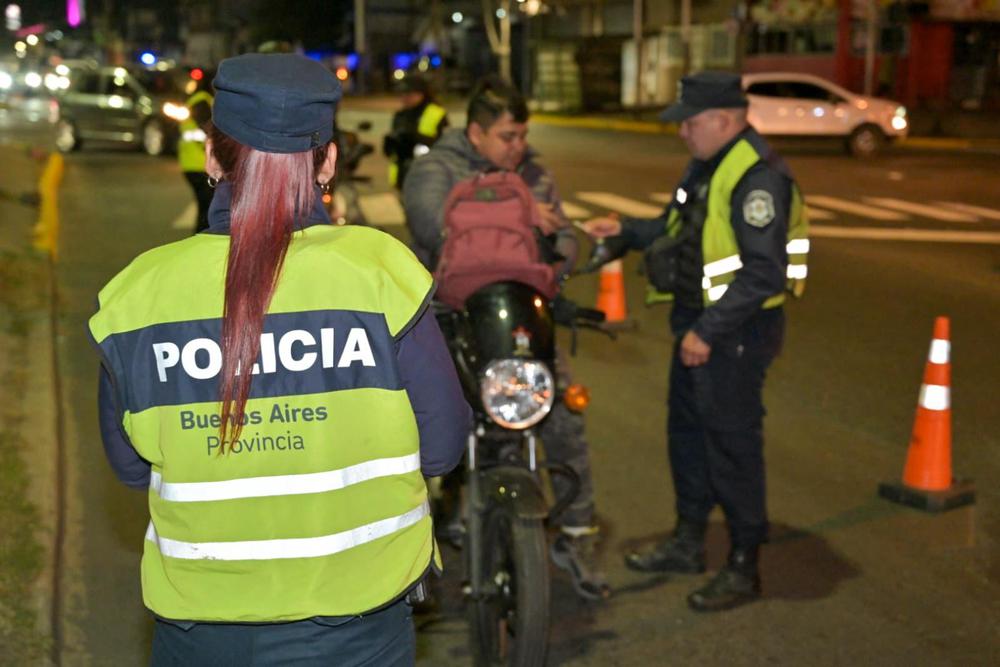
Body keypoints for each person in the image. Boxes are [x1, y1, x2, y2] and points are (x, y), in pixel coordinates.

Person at [89, 53, 471, 665]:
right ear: (329, 161)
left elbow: (132, 468)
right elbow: (444, 446)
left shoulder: (136, 295)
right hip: (359, 628)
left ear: (213, 158)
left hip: (201, 633)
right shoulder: (381, 273)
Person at [582, 71, 808, 612]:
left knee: (731, 444)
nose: (682, 132)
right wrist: (624, 231)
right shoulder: (708, 164)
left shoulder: (756, 179)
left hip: (734, 333)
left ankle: (743, 565)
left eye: (690, 122)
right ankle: (688, 541)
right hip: (699, 325)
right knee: (687, 434)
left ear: (724, 120)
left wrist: (708, 331)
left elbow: (764, 273)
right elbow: (676, 229)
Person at [403, 76, 610, 601]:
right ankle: (417, 533)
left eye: (523, 135)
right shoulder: (437, 168)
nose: (519, 147)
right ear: (476, 133)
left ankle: (577, 534)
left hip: (520, 314)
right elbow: (431, 226)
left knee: (560, 411)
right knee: (425, 421)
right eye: (507, 137)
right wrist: (518, 214)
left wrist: (558, 257)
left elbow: (563, 236)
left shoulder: (534, 171)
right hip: (452, 317)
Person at [383, 74, 448, 190]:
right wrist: (390, 145)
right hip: (403, 177)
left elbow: (445, 146)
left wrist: (415, 137)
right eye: (402, 94)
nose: (404, 98)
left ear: (421, 94)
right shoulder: (400, 115)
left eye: (408, 94)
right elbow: (392, 152)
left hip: (428, 176)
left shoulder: (436, 113)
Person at [177, 69, 214, 233]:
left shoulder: (197, 100)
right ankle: (200, 238)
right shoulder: (202, 102)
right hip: (199, 164)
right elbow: (209, 129)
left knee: (205, 208)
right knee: (207, 209)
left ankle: (200, 237)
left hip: (193, 163)